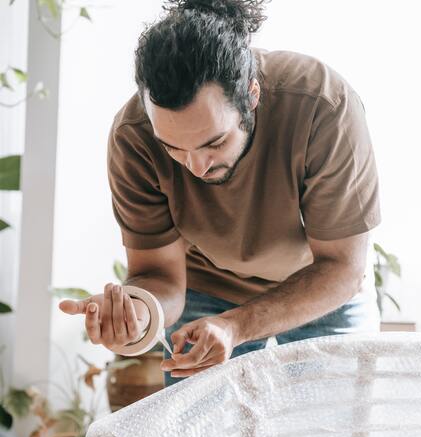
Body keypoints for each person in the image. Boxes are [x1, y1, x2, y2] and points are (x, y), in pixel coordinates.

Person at [58, 0, 381, 386]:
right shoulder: (133, 137)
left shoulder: (324, 107)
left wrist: (237, 326)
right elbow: (158, 274)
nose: (196, 167)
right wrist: (140, 314)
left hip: (320, 284)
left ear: (252, 95)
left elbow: (342, 268)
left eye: (214, 142)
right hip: (209, 284)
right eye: (173, 147)